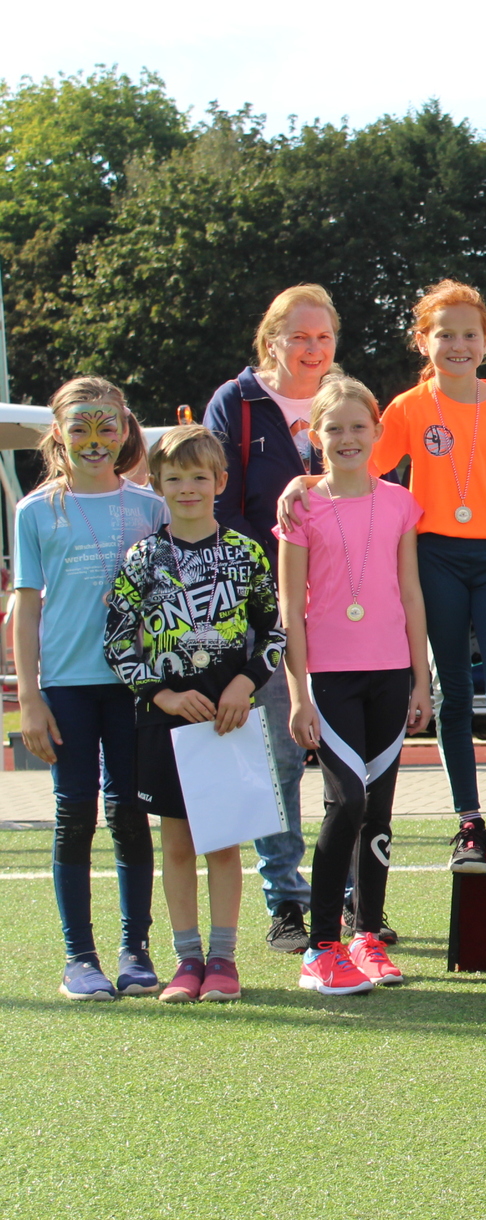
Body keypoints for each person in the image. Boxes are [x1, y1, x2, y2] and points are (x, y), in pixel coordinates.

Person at [281, 281, 486, 893]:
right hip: (435, 558)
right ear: (423, 341)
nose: (458, 344)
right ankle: (468, 824)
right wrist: (301, 484)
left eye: (469, 333)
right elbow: (354, 465)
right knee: (454, 693)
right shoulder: (405, 408)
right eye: (445, 334)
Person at [105, 425, 286, 1003]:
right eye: (175, 478)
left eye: (199, 477)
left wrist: (244, 681)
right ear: (155, 483)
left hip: (227, 722)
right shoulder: (143, 558)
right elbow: (117, 642)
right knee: (177, 845)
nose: (187, 488)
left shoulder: (245, 553)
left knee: (224, 844)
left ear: (220, 482)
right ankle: (186, 962)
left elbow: (275, 634)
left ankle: (224, 960)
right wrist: (161, 695)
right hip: (166, 724)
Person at [13, 378, 168, 1000]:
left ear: (126, 429)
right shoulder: (36, 512)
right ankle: (80, 958)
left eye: (107, 427)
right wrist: (29, 698)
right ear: (59, 434)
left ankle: (136, 951)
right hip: (68, 687)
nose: (95, 440)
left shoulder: (150, 507)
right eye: (80, 427)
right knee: (73, 815)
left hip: (136, 689)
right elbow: (24, 611)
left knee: (129, 814)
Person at [277, 374, 432, 995]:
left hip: (392, 672)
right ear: (315, 436)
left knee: (381, 809)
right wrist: (295, 695)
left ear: (377, 433)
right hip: (330, 678)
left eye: (358, 427)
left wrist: (423, 680)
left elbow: (411, 593)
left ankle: (368, 936)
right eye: (333, 428)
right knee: (348, 802)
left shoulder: (399, 501)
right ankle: (322, 948)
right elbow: (290, 608)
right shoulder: (300, 505)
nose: (347, 438)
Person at [204, 285, 337, 952]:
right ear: (272, 340)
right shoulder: (237, 403)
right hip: (266, 611)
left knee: (345, 759)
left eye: (323, 338)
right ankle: (287, 901)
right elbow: (219, 505)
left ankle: (345, 898)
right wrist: (262, 584)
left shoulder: (342, 401)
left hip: (343, 607)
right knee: (280, 759)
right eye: (300, 338)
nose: (313, 351)